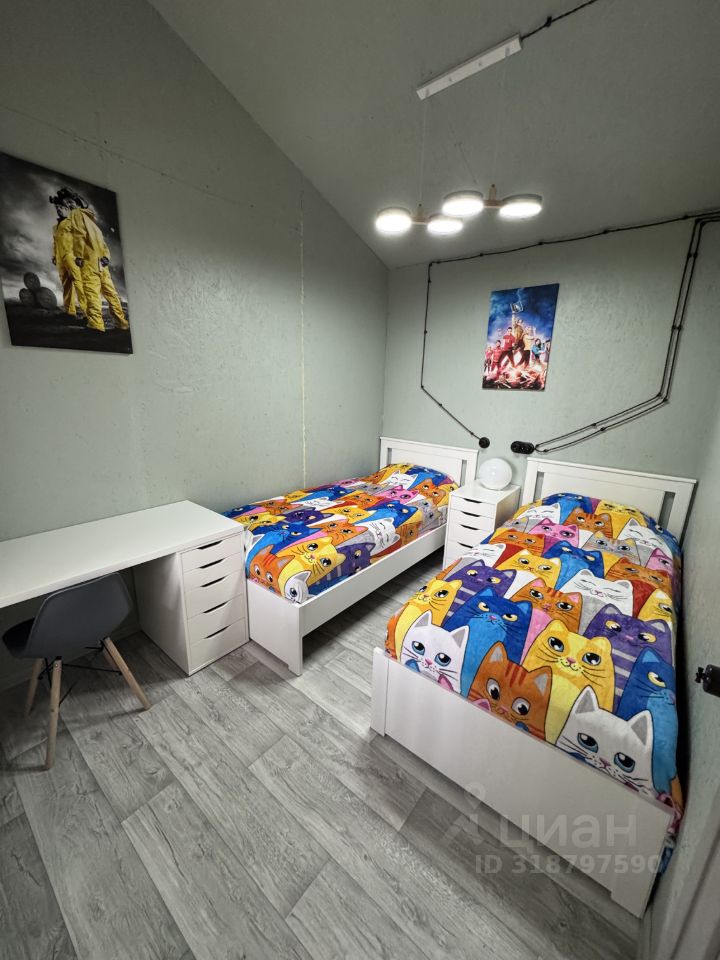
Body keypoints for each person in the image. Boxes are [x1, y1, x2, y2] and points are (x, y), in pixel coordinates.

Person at [68, 193, 128, 332]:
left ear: (78, 204)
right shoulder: (94, 224)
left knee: (92, 293)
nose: (69, 205)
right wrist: (106, 257)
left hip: (89, 262)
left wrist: (78, 256)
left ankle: (96, 325)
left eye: (71, 202)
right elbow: (104, 245)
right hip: (102, 265)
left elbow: (79, 235)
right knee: (111, 294)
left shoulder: (76, 214)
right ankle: (122, 323)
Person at [50, 189, 86, 318]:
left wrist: (80, 255)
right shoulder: (55, 227)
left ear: (66, 208)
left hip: (72, 256)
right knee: (66, 284)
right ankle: (70, 312)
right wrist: (54, 255)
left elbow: (79, 239)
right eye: (57, 208)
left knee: (79, 283)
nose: (58, 209)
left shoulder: (72, 221)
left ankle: (88, 313)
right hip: (60, 258)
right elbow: (55, 243)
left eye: (61, 207)